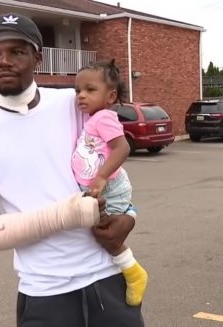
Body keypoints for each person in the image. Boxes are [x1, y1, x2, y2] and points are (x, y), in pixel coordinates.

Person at [0, 13, 144, 327]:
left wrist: (130, 215)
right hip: (44, 291)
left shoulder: (74, 103)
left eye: (17, 52)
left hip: (108, 276)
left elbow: (109, 169)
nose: (4, 61)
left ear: (37, 59)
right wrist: (66, 215)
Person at [72, 59, 148, 306]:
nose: (81, 96)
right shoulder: (92, 117)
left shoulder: (104, 117)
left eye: (90, 90)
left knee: (105, 234)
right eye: (78, 91)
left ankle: (134, 273)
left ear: (110, 95)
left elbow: (122, 147)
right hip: (100, 187)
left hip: (110, 188)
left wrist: (101, 176)